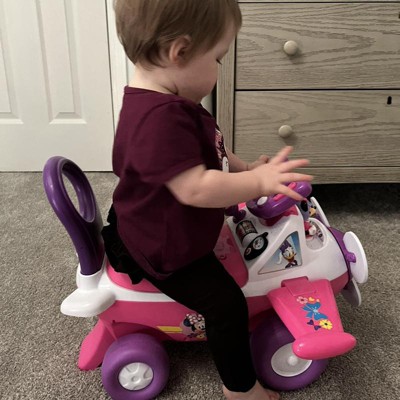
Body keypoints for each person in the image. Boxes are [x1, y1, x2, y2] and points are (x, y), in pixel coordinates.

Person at [107, 1, 313, 399]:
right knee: (227, 305)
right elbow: (195, 187)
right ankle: (240, 390)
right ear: (180, 52)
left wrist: (246, 169)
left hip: (149, 217)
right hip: (168, 248)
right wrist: (256, 182)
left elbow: (212, 151)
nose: (219, 69)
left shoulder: (168, 102)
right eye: (218, 58)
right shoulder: (160, 121)